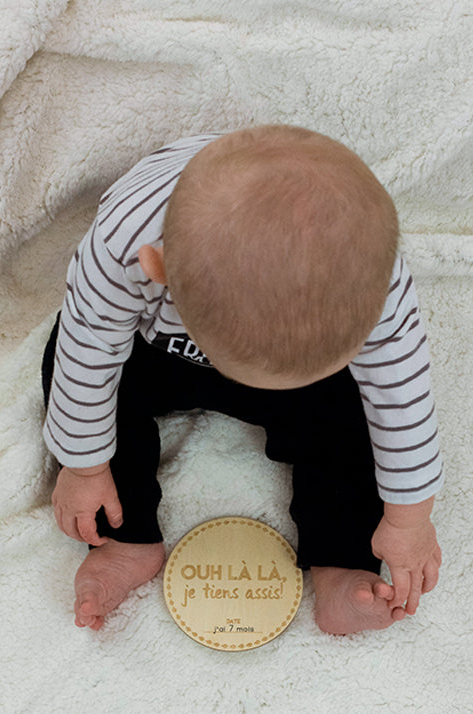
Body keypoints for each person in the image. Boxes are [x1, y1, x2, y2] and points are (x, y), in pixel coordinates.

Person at [41, 125, 443, 634]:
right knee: (72, 374)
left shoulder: (372, 278)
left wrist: (408, 519)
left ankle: (341, 559)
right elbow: (89, 350)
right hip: (155, 352)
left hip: (307, 379)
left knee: (355, 418)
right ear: (158, 267)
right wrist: (84, 467)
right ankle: (126, 539)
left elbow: (402, 395)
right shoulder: (123, 242)